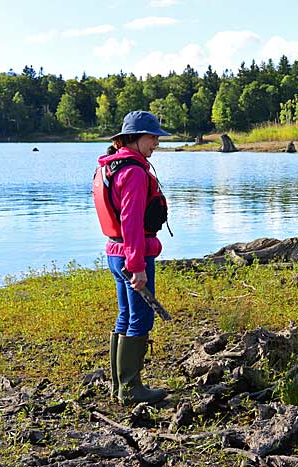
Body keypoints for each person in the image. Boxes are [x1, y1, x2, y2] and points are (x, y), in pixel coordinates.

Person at [92, 110, 171, 404]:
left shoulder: (110, 167)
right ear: (135, 139)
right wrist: (137, 266)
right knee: (140, 317)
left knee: (125, 315)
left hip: (115, 253)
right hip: (130, 255)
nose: (156, 144)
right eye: (153, 138)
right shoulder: (135, 172)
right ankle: (131, 388)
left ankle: (118, 385)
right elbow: (131, 222)